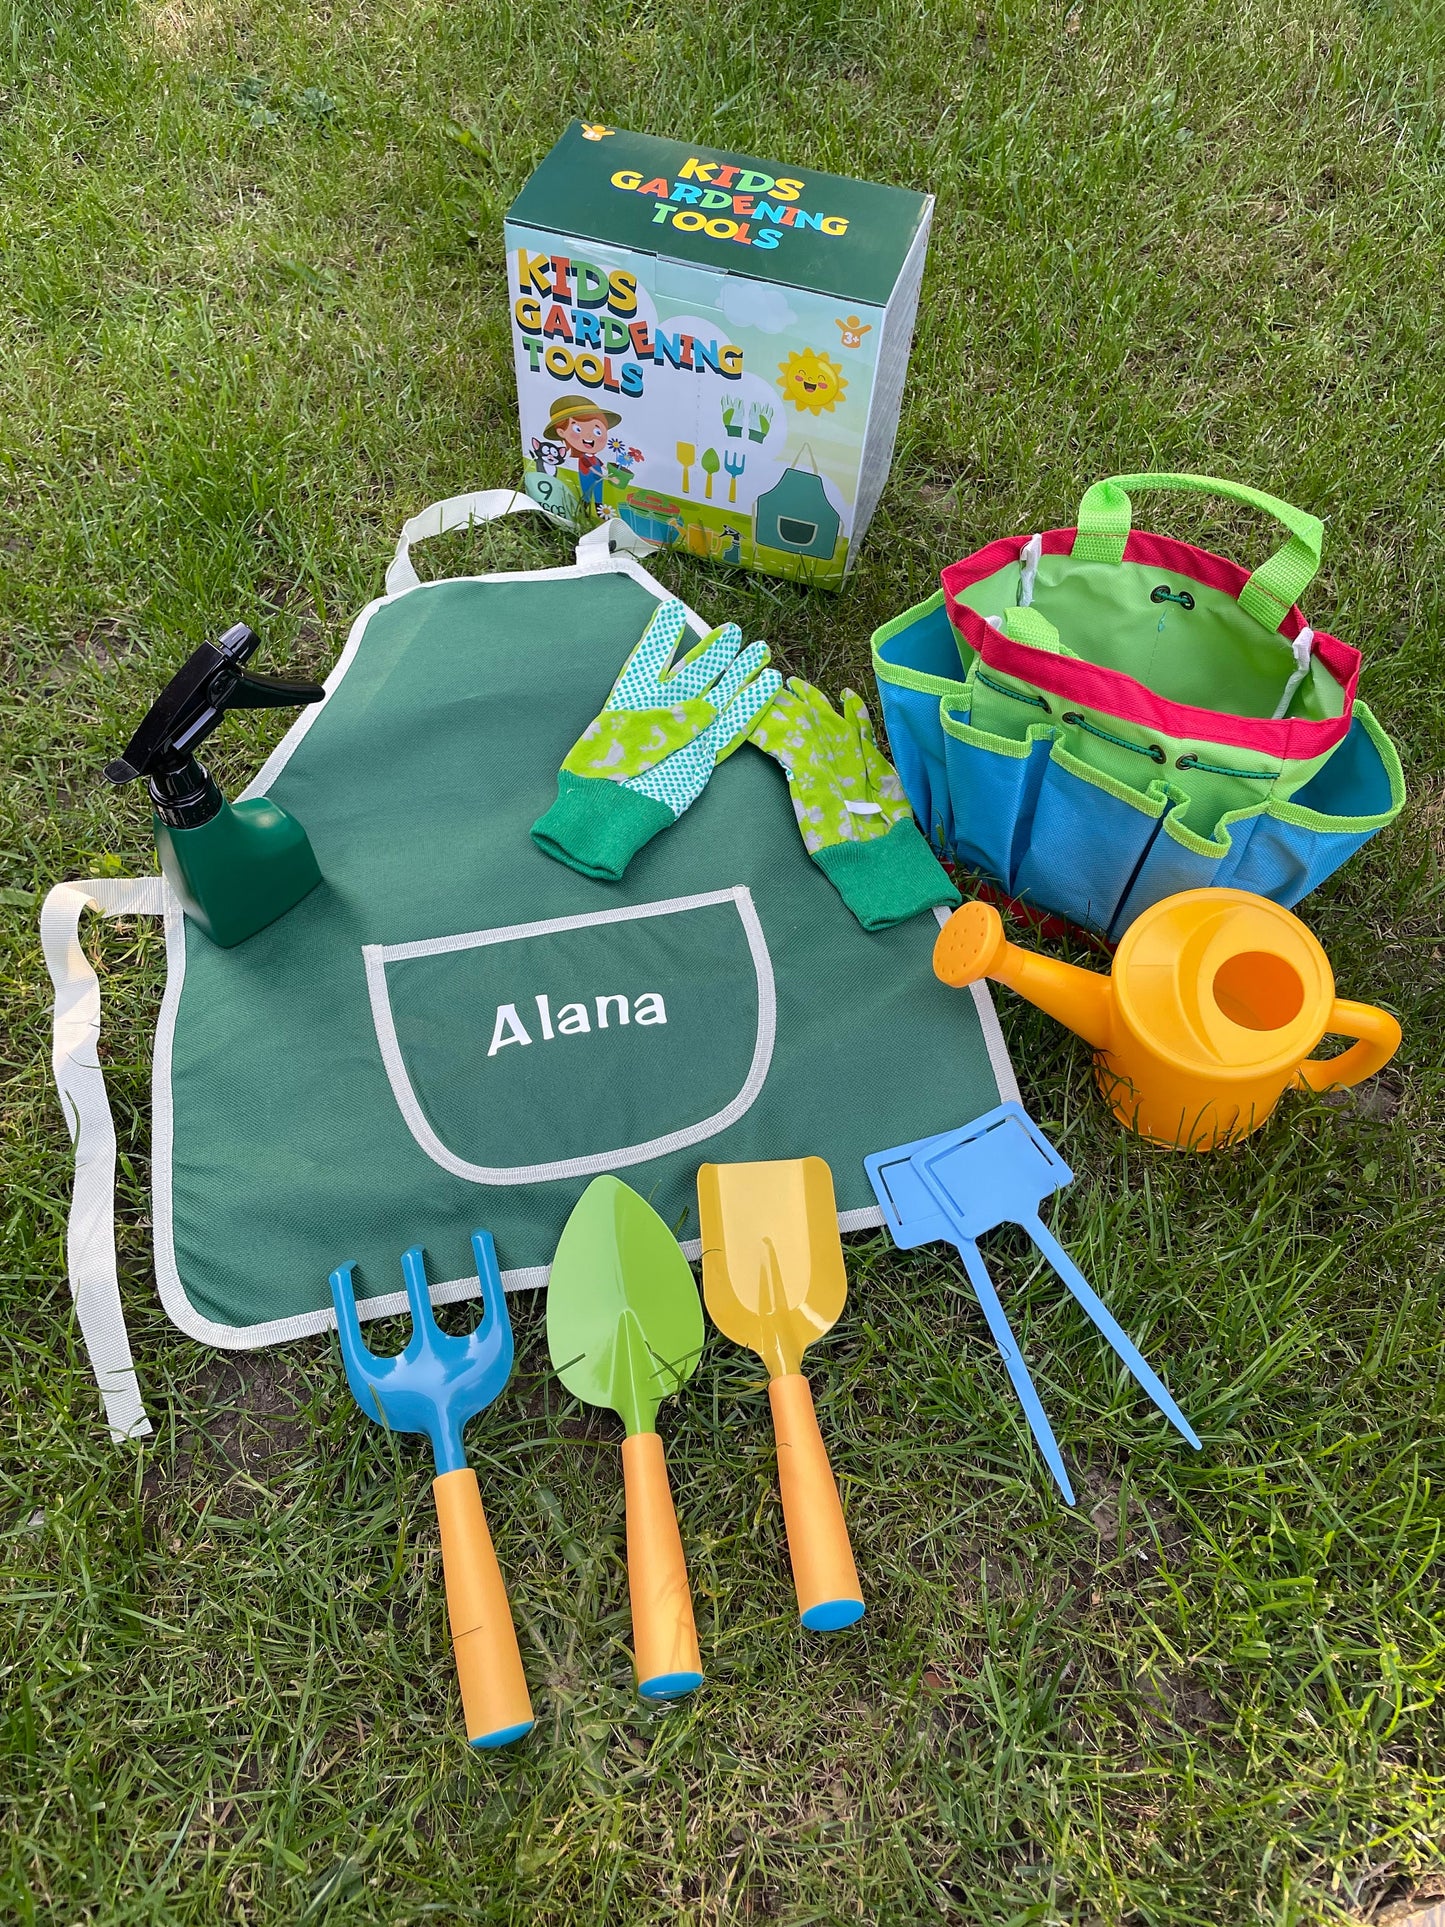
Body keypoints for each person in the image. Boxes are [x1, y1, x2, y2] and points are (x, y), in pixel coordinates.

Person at [544, 394, 621, 511]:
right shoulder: (584, 458)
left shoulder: (596, 458)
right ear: (561, 432)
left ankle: (600, 512)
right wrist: (605, 476)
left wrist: (611, 471)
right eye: (578, 429)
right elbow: (593, 469)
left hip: (598, 479)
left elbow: (602, 466)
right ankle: (584, 510)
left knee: (599, 495)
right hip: (589, 479)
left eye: (597, 431)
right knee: (587, 494)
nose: (589, 435)